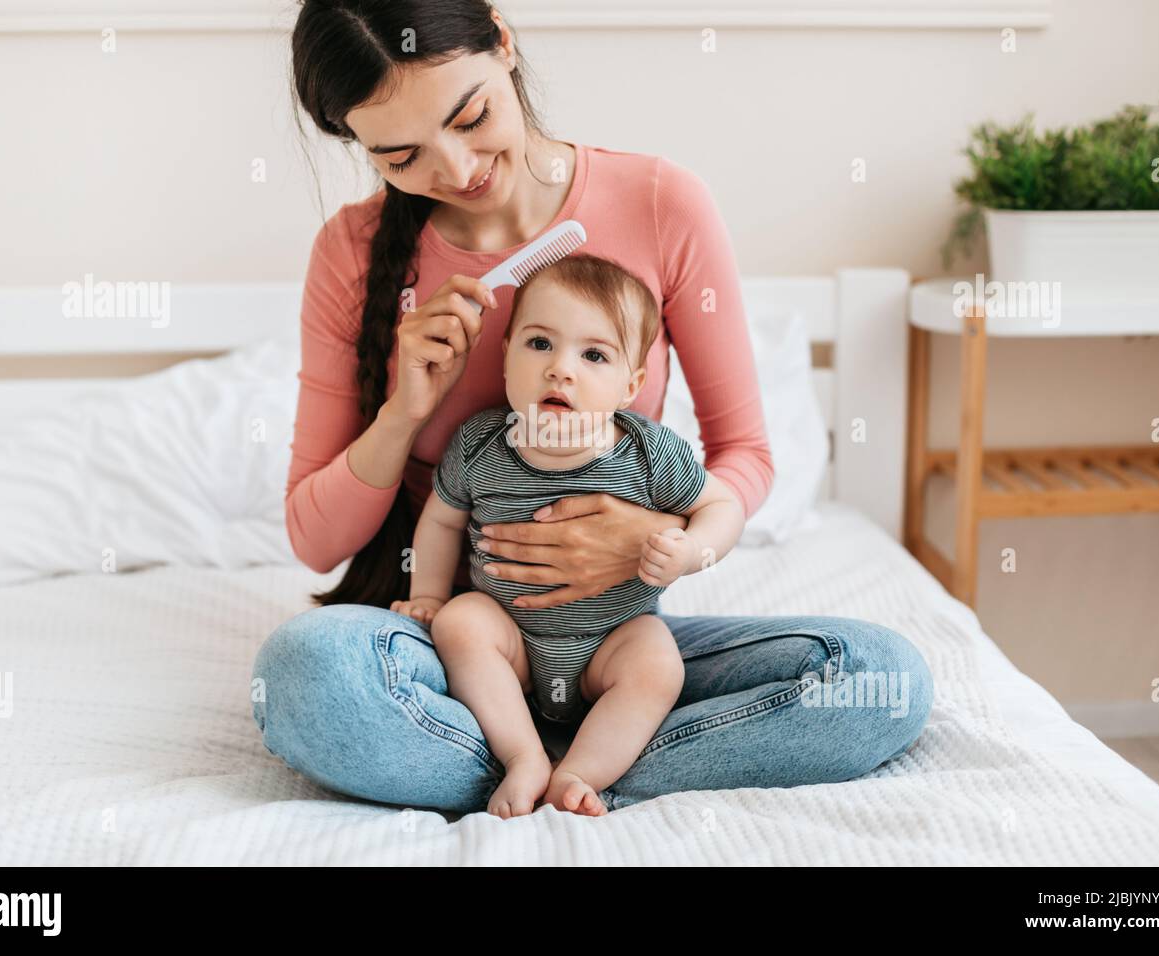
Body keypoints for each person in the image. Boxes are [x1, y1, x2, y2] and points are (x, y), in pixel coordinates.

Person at [251, 0, 933, 814]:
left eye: (471, 116)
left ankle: (576, 764)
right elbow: (314, 539)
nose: (458, 166)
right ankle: (540, 759)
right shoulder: (352, 253)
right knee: (305, 675)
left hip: (615, 638)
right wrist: (403, 411)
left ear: (503, 41)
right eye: (401, 155)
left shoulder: (660, 203)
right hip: (460, 644)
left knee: (877, 681)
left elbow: (744, 455)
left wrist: (661, 540)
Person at [391, 253, 746, 817]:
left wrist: (691, 550)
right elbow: (439, 519)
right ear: (505, 355)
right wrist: (430, 596)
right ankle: (523, 755)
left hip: (612, 641)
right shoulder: (480, 446)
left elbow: (723, 505)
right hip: (513, 647)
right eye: (539, 344)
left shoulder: (647, 453)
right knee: (461, 622)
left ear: (630, 386)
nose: (561, 368)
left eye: (593, 355)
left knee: (658, 665)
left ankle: (582, 770)